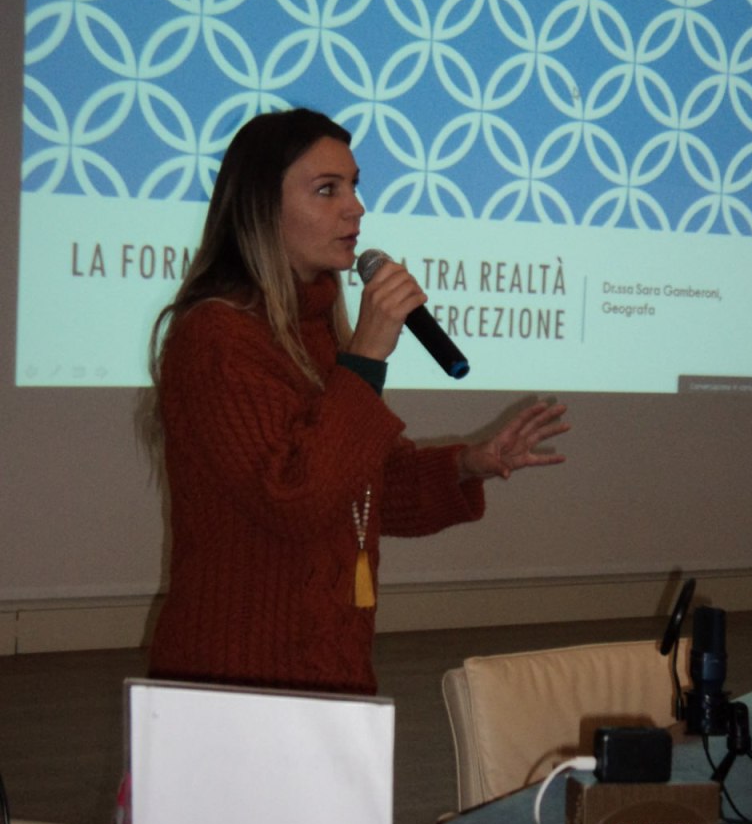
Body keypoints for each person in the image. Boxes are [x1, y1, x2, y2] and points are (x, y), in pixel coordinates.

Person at [147, 107, 569, 696]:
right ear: (261, 208)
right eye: (328, 189)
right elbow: (296, 499)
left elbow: (362, 490)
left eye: (353, 186)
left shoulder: (316, 330)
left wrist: (467, 463)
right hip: (235, 678)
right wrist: (366, 355)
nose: (356, 208)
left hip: (329, 667)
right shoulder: (216, 338)